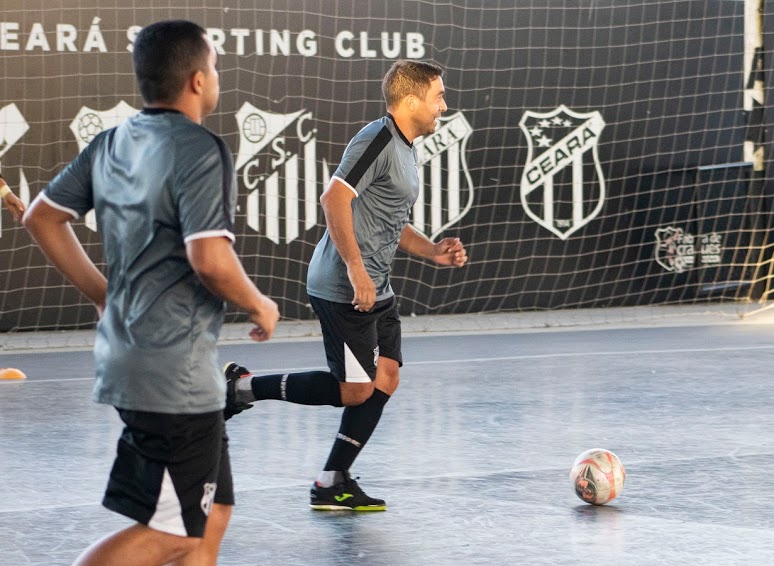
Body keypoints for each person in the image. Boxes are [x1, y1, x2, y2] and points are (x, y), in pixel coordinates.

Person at [23, 20, 279, 566]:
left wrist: (103, 294)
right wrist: (259, 302)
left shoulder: (112, 141)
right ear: (195, 80)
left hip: (147, 362)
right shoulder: (200, 148)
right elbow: (209, 258)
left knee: (214, 514)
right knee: (176, 534)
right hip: (172, 373)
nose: (217, 76)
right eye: (214, 66)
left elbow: (41, 218)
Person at [224, 60, 467, 511]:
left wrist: (433, 250)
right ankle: (240, 388)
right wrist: (356, 269)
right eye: (438, 96)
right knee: (355, 390)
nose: (444, 106)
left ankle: (332, 480)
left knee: (387, 376)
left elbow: (390, 220)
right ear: (412, 100)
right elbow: (334, 197)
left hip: (377, 285)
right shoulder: (376, 138)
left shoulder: (406, 147)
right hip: (344, 286)